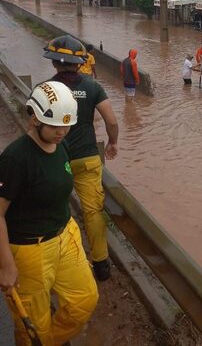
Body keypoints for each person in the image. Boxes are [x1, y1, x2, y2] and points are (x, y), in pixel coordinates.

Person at [0, 81, 99, 345]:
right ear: (34, 119)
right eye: (55, 126)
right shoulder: (16, 159)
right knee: (33, 324)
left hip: (65, 236)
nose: (62, 132)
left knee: (85, 299)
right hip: (30, 251)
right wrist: (7, 266)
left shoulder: (61, 146)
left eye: (66, 126)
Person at [45, 35, 119, 281]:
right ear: (80, 63)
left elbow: (34, 126)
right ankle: (101, 264)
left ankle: (63, 263)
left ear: (55, 63)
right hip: (87, 159)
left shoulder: (47, 89)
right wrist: (113, 142)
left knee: (56, 210)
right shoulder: (92, 87)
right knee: (93, 212)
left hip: (56, 160)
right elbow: (111, 120)